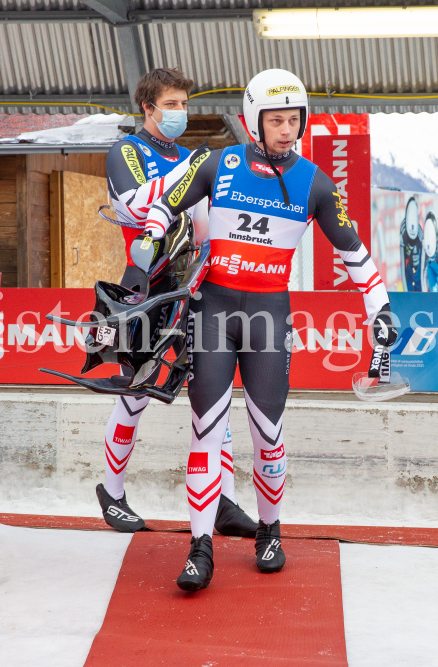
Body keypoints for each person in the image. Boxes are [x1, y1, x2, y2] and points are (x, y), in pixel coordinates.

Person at [141, 69, 398, 591]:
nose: (286, 129)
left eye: (293, 119)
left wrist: (381, 308)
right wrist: (147, 243)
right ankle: (199, 547)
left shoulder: (316, 183)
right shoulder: (219, 162)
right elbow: (160, 206)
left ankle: (270, 531)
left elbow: (355, 255)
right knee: (205, 430)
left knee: (268, 435)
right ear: (254, 121)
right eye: (275, 119)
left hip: (267, 318)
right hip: (212, 310)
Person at [97, 67, 257, 539]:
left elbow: (208, 223)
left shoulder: (190, 157)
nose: (179, 113)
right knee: (136, 391)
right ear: (146, 107)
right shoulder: (126, 150)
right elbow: (134, 203)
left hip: (195, 287)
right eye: (170, 104)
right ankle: (112, 491)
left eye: (184, 104)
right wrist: (189, 176)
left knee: (213, 395)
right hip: (145, 284)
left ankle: (221, 499)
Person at [399, 197, 425, 291]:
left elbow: (423, 264)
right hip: (409, 266)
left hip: (418, 267)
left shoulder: (420, 235)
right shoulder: (403, 231)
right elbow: (402, 266)